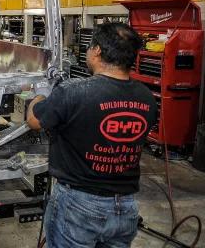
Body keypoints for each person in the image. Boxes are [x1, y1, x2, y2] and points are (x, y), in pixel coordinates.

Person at [27, 22, 157, 248]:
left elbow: (34, 121)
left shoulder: (75, 92)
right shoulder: (146, 97)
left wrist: (40, 94)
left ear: (97, 50)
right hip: (125, 208)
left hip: (79, 204)